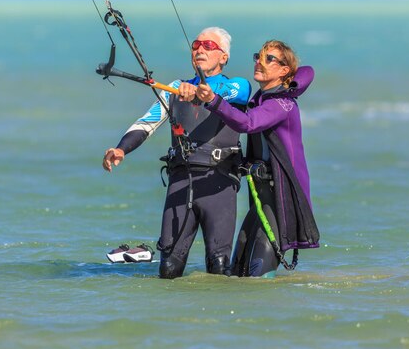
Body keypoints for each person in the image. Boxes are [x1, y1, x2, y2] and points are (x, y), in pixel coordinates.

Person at [102, 27, 251, 279]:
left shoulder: (236, 85)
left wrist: (203, 93)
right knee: (169, 267)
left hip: (218, 184)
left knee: (219, 265)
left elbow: (229, 95)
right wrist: (121, 148)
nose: (200, 49)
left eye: (209, 46)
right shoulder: (173, 89)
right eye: (196, 45)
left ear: (223, 57)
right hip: (181, 183)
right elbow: (146, 124)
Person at [195, 40, 320, 277]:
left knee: (257, 277)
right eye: (258, 56)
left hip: (279, 197)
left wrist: (213, 101)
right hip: (260, 196)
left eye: (269, 58)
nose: (259, 62)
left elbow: (248, 123)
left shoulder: (281, 104)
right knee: (237, 271)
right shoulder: (260, 100)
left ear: (284, 71)